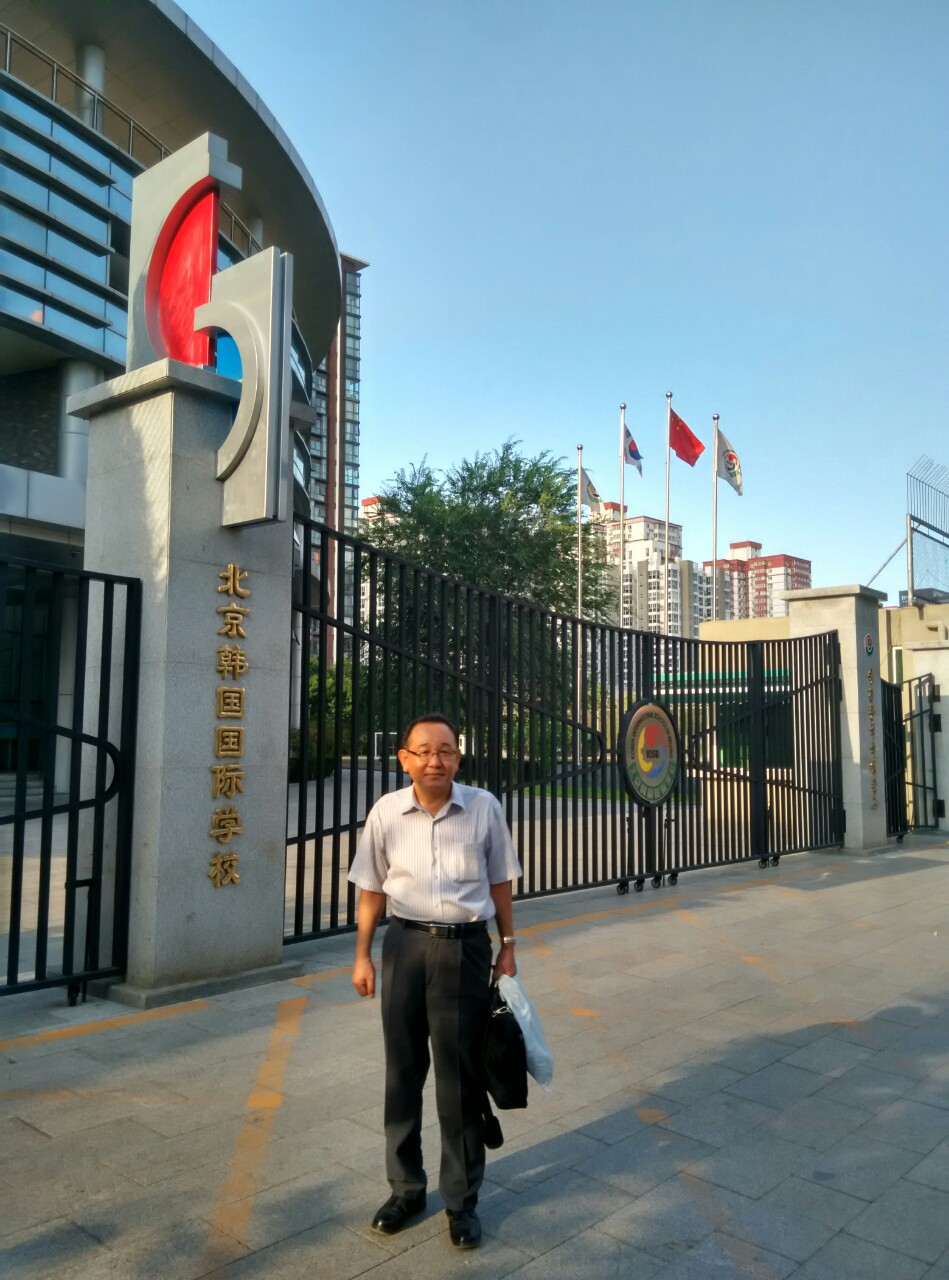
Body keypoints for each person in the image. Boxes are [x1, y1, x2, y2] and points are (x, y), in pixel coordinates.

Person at [349, 713, 521, 1250]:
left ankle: (461, 1201)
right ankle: (405, 1189)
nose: (434, 761)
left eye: (445, 750)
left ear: (458, 757)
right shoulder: (386, 812)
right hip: (404, 946)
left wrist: (508, 945)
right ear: (404, 759)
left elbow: (500, 881)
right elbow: (372, 889)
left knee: (459, 1079)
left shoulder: (483, 808)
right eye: (423, 751)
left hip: (464, 950)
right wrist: (362, 956)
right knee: (402, 1073)